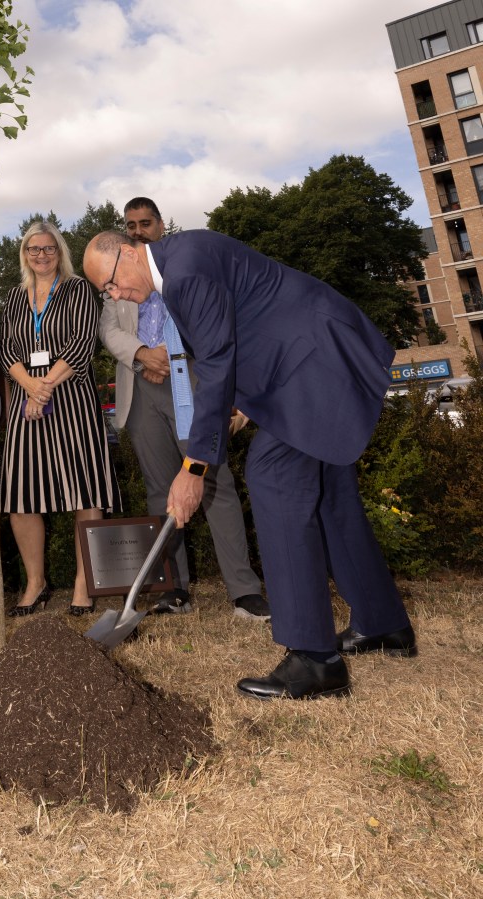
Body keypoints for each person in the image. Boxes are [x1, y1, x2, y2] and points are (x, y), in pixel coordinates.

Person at [83, 229, 417, 700]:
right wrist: (244, 406)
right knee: (330, 498)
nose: (115, 295)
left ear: (130, 253)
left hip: (312, 364)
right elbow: (242, 332)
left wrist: (194, 467)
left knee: (272, 475)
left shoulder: (184, 273)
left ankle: (315, 659)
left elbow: (217, 361)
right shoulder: (182, 260)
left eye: (110, 283)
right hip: (311, 364)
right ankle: (383, 624)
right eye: (106, 292)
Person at [99, 197, 268, 620]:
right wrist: (142, 353)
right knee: (160, 491)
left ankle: (244, 591)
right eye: (130, 224)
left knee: (212, 482)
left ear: (160, 225)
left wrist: (172, 358)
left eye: (145, 223)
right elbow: (109, 329)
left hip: (190, 381)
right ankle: (173, 589)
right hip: (141, 388)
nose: (137, 230)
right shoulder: (115, 277)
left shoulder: (184, 268)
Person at [0, 221, 119, 615]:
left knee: (84, 489)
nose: (42, 255)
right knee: (20, 493)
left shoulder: (79, 289)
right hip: (26, 403)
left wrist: (44, 385)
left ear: (60, 251)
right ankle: (36, 582)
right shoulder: (14, 298)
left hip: (70, 399)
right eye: (34, 249)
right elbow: (7, 352)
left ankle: (85, 583)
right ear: (25, 254)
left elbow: (82, 344)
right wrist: (30, 388)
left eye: (49, 248)